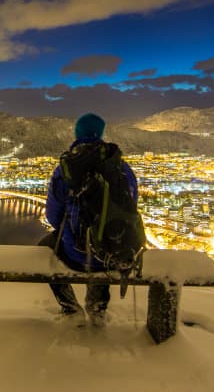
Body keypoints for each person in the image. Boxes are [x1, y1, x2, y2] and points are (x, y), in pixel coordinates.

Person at [38, 113, 138, 327]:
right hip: (112, 253)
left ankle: (69, 307)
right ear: (101, 134)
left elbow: (53, 217)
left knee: (43, 249)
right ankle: (97, 306)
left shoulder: (66, 168)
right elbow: (131, 209)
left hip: (76, 254)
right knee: (105, 242)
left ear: (77, 134)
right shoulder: (121, 168)